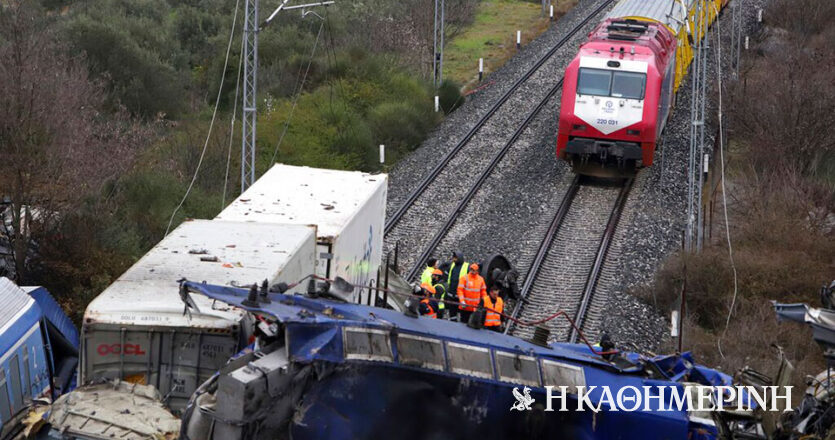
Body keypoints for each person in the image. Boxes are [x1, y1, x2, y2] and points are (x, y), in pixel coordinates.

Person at [440, 251, 468, 321]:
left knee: (463, 313)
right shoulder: (452, 265)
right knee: (452, 312)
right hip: (451, 294)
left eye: (455, 258)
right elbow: (446, 275)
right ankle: (453, 322)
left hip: (461, 295)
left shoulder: (467, 267)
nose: (453, 259)